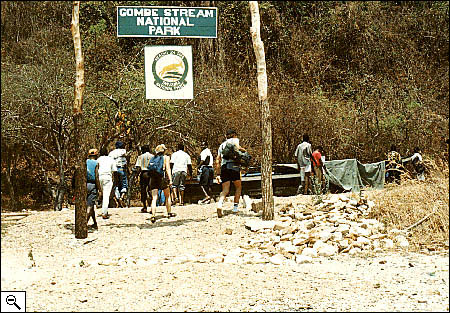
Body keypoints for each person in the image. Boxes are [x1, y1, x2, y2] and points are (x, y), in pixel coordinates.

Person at [215, 129, 246, 217]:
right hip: (234, 166)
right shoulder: (235, 140)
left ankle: (220, 204)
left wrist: (217, 174)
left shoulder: (221, 146)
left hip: (224, 167)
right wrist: (244, 151)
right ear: (234, 135)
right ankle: (235, 208)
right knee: (238, 187)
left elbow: (218, 160)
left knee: (225, 190)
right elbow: (238, 148)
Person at [149, 144, 176, 223]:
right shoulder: (166, 158)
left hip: (153, 178)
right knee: (167, 196)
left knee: (154, 198)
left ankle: (153, 215)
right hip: (162, 178)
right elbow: (168, 169)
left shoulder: (153, 158)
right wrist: (170, 180)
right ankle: (169, 212)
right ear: (164, 150)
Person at [96, 147, 118, 219]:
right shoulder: (111, 160)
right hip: (107, 177)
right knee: (106, 195)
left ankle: (102, 208)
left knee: (102, 194)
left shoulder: (98, 160)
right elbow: (114, 171)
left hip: (99, 177)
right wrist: (115, 181)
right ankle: (104, 212)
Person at [134, 145, 154, 213]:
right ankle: (152, 206)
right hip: (151, 174)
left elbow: (138, 167)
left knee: (143, 190)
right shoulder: (153, 156)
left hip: (143, 173)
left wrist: (136, 176)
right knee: (151, 189)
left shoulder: (140, 157)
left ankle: (145, 206)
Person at [109, 141, 128, 207]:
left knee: (116, 183)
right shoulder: (123, 151)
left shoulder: (112, 152)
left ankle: (117, 196)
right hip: (122, 168)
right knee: (124, 183)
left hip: (115, 169)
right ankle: (122, 196)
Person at [86, 148, 99, 229]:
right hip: (92, 184)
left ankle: (95, 223)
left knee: (91, 205)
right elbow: (97, 176)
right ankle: (84, 223)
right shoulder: (96, 163)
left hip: (84, 185)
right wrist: (99, 189)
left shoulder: (85, 162)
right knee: (90, 205)